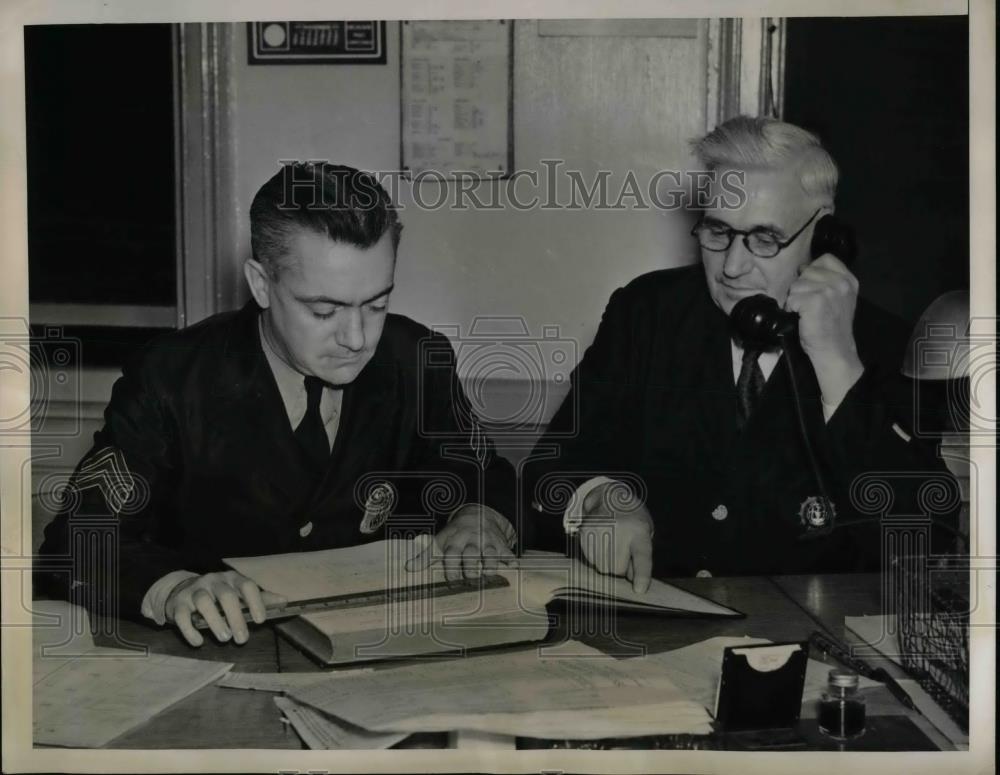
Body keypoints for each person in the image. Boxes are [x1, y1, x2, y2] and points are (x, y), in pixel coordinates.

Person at [38, 163, 517, 647]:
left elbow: (483, 471)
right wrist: (177, 587)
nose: (357, 339)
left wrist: (479, 515)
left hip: (381, 652)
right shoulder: (174, 377)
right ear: (261, 284)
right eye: (323, 311)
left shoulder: (414, 359)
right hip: (220, 659)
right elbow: (76, 541)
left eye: (376, 305)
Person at [523, 116, 960, 588]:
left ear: (825, 237)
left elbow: (925, 537)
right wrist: (601, 497)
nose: (732, 267)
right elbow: (550, 469)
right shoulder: (647, 313)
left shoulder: (888, 344)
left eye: (764, 239)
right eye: (718, 232)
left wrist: (838, 367)